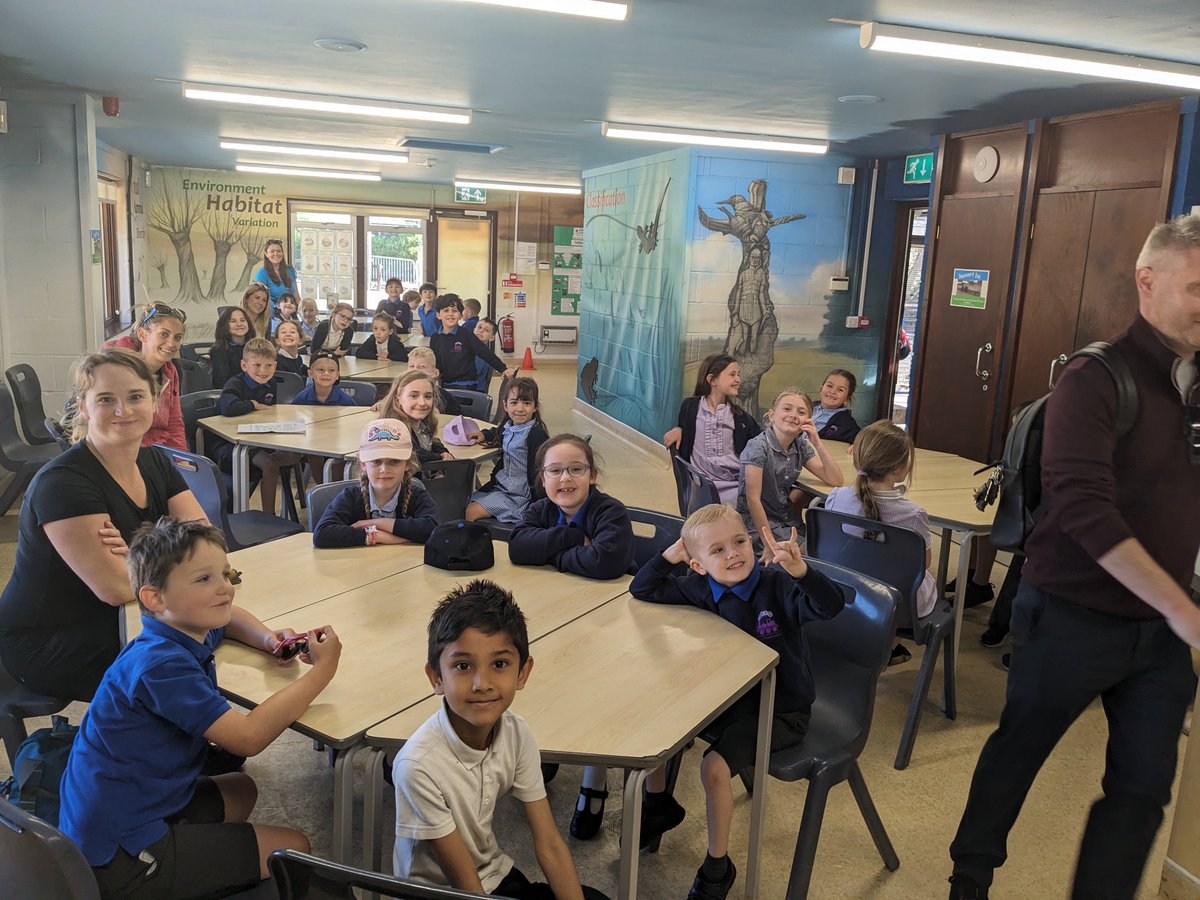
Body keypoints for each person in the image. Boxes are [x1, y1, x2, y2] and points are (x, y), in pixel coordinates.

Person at [947, 215, 1200, 900]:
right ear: (1149, 281)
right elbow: (1084, 507)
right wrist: (1186, 611)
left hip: (1160, 638)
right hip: (1071, 619)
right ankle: (970, 874)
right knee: (1019, 751)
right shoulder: (1095, 377)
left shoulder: (1196, 385)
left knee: (1143, 787)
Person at [59, 517, 340, 899]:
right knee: (292, 848)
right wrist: (322, 672)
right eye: (204, 580)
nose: (225, 589)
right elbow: (247, 738)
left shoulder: (176, 626)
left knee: (241, 789)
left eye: (226, 574)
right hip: (118, 853)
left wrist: (268, 639)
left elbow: (227, 621)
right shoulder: (162, 666)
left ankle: (196, 866)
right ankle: (162, 876)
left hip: (122, 805)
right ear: (154, 597)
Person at [629, 504, 845, 900]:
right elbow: (642, 588)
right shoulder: (698, 587)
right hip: (724, 700)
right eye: (717, 550)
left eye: (740, 541)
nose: (733, 554)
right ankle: (658, 803)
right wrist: (671, 554)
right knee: (657, 720)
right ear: (696, 566)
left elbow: (829, 606)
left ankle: (717, 865)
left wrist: (800, 571)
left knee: (713, 768)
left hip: (781, 711)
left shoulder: (776, 587)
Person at [0, 349, 206, 701]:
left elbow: (207, 546)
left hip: (125, 615)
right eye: (106, 399)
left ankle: (186, 743)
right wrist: (161, 551)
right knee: (182, 644)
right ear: (83, 406)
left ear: (155, 401)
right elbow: (114, 587)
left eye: (136, 396)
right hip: (50, 639)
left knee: (210, 619)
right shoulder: (64, 482)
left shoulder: (155, 460)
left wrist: (137, 557)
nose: (123, 411)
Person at [392, 580, 608, 899]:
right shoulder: (418, 767)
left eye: (500, 664)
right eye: (463, 666)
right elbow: (464, 882)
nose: (482, 683)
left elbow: (549, 843)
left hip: (492, 874)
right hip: (442, 892)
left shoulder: (515, 732)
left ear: (522, 672)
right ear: (436, 678)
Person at [508, 434, 633, 841]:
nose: (566, 478)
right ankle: (545, 750)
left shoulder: (609, 511)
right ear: (542, 478)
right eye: (555, 470)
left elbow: (606, 562)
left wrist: (552, 555)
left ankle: (593, 783)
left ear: (592, 475)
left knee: (595, 692)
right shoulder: (541, 509)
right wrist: (568, 542)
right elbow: (518, 549)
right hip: (554, 613)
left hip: (606, 621)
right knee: (542, 674)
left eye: (576, 469)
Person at [823, 420, 936, 665]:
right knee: (926, 582)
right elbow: (923, 564)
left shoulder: (835, 498)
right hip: (899, 607)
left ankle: (873, 644)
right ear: (900, 468)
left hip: (845, 592)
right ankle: (887, 646)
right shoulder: (914, 514)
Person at [737, 388, 843, 549]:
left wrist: (817, 442)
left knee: (827, 544)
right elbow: (753, 501)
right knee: (814, 551)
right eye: (787, 409)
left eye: (801, 412)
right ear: (772, 415)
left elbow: (835, 479)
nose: (793, 415)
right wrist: (768, 544)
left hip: (786, 518)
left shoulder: (800, 446)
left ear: (807, 421)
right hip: (758, 523)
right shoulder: (758, 447)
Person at [211, 338, 301, 518]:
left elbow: (269, 412)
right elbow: (228, 408)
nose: (263, 371)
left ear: (275, 366)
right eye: (257, 365)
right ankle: (269, 515)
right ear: (244, 365)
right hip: (229, 445)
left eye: (269, 365)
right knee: (269, 463)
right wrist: (252, 404)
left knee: (294, 455)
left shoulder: (271, 383)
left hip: (256, 438)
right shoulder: (235, 383)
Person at [313, 419, 438, 548]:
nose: (384, 469)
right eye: (376, 461)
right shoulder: (350, 497)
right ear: (363, 464)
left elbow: (432, 530)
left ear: (407, 464)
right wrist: (376, 536)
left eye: (394, 461)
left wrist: (376, 523)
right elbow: (322, 534)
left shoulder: (418, 496)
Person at [662, 353, 760, 504]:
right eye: (732, 374)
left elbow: (761, 442)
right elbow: (686, 431)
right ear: (712, 380)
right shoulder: (690, 407)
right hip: (703, 486)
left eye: (738, 375)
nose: (738, 380)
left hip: (736, 485)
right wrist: (679, 429)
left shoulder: (740, 417)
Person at [464, 377, 549, 525]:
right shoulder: (509, 425)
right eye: (514, 403)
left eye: (527, 403)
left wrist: (539, 507)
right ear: (505, 405)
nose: (520, 409)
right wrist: (485, 434)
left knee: (471, 511)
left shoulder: (536, 434)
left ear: (535, 407)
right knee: (465, 500)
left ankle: (471, 546)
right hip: (502, 487)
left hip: (520, 497)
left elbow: (542, 472)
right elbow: (499, 432)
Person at [105, 302, 187, 451]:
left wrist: (182, 461)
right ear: (143, 334)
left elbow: (174, 424)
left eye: (177, 337)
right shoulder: (117, 368)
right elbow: (112, 428)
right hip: (124, 453)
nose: (171, 343)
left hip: (160, 453)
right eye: (164, 334)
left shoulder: (171, 371)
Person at [429, 295, 515, 389]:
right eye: (446, 310)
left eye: (454, 311)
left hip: (465, 386)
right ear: (438, 315)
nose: (450, 314)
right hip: (444, 385)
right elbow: (434, 361)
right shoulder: (435, 337)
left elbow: (485, 353)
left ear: (461, 315)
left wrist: (503, 369)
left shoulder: (466, 334)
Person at [376, 370, 453, 464]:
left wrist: (442, 451)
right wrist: (439, 457)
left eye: (428, 396)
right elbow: (414, 454)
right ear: (397, 400)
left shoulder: (421, 424)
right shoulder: (395, 429)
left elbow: (432, 441)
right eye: (414, 396)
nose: (422, 403)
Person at [405, 347, 463, 415]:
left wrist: (440, 416)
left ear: (434, 372)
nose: (415, 370)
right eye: (412, 366)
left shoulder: (445, 397)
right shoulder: (400, 394)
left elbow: (458, 420)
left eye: (422, 367)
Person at [811, 368, 861, 443]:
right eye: (829, 386)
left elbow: (860, 438)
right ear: (821, 389)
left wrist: (856, 445)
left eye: (840, 390)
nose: (833, 391)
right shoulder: (806, 407)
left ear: (847, 398)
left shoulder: (846, 422)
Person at [211, 307, 255, 389]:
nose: (239, 324)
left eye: (242, 320)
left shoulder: (253, 346)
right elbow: (221, 382)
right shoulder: (220, 350)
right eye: (233, 321)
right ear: (225, 325)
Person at [253, 238, 299, 312]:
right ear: (266, 254)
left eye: (278, 251)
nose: (276, 254)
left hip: (291, 313)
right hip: (273, 315)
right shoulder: (262, 273)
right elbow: (261, 299)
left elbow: (296, 296)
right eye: (272, 251)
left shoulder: (290, 271)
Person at [474, 317, 499, 392]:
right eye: (479, 327)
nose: (481, 331)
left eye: (486, 330)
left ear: (492, 338)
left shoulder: (483, 354)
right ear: (474, 330)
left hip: (473, 393)